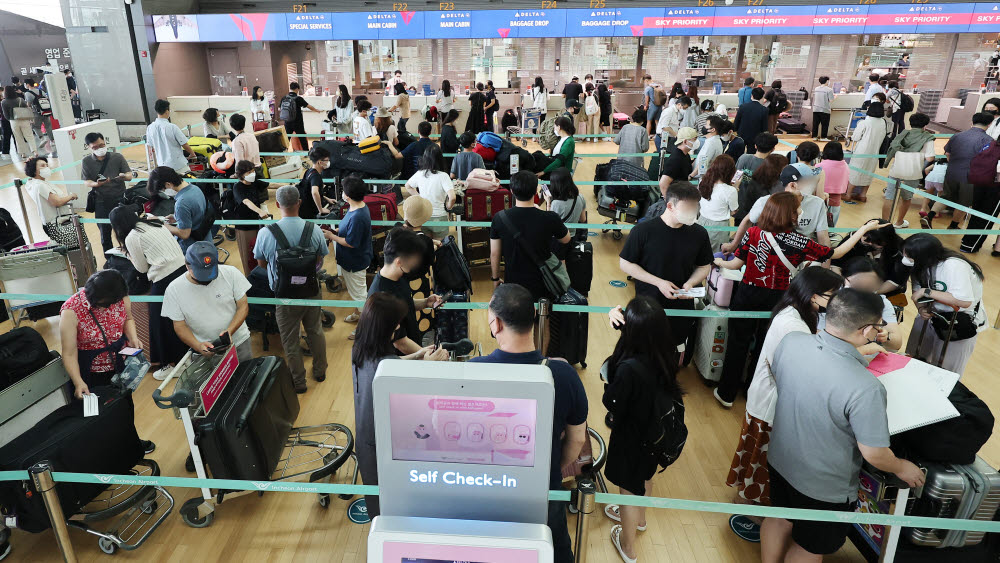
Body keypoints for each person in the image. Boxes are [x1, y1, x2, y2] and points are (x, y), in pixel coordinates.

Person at [763, 289, 925, 563]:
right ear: (867, 330)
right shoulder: (865, 387)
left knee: (779, 518)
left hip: (781, 458)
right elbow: (874, 453)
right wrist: (902, 466)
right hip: (823, 484)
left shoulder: (792, 342)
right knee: (810, 547)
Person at [713, 191, 885, 407]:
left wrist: (720, 264)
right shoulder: (799, 241)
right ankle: (751, 391)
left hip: (747, 293)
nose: (800, 212)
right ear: (790, 214)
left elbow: (736, 264)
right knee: (765, 346)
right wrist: (864, 229)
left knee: (737, 343)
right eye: (797, 209)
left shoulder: (753, 232)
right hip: (779, 298)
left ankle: (726, 393)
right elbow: (836, 253)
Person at [469, 284, 588, 563]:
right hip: (544, 493)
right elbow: (578, 440)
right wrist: (552, 470)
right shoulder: (563, 374)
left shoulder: (474, 370)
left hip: (486, 491)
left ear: (495, 324)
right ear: (535, 317)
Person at [725, 267, 844, 528]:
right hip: (772, 401)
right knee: (763, 458)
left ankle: (748, 501)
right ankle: (751, 507)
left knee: (756, 454)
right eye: (831, 295)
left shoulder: (794, 311)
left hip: (766, 396)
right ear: (813, 295)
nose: (834, 301)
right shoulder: (794, 324)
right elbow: (795, 369)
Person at [601, 295, 683, 563]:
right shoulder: (666, 353)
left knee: (628, 490)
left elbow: (611, 401)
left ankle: (628, 548)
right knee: (645, 479)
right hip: (655, 434)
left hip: (631, 438)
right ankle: (641, 520)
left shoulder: (628, 369)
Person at [352, 292, 448, 518]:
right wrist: (428, 365)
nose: (398, 326)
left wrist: (418, 355)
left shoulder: (362, 348)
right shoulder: (386, 370)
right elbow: (411, 391)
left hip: (368, 441)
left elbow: (389, 364)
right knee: (387, 510)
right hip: (384, 450)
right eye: (395, 323)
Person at [59, 270, 155, 453]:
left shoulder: (120, 299)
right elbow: (69, 353)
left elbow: (128, 319)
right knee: (96, 416)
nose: (109, 307)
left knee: (124, 406)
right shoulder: (71, 310)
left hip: (119, 364)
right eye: (105, 304)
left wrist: (133, 338)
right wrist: (79, 382)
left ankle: (129, 442)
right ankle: (104, 453)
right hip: (91, 372)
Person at [252, 186, 332, 392]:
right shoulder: (313, 229)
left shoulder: (265, 233)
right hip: (311, 290)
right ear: (299, 203)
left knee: (290, 339)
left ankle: (299, 382)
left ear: (277, 205)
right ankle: (320, 371)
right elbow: (320, 259)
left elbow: (261, 264)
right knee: (315, 331)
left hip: (283, 295)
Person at [619, 182, 712, 360]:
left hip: (681, 309)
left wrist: (690, 283)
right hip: (648, 307)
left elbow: (704, 266)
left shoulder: (699, 233)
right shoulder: (643, 231)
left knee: (672, 354)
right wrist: (658, 282)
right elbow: (625, 263)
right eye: (688, 208)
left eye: (695, 207)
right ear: (670, 205)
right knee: (643, 353)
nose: (693, 212)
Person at [108, 205, 187, 376]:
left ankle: (170, 363)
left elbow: (142, 269)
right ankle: (187, 356)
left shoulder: (132, 237)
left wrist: (127, 253)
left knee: (159, 322)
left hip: (165, 277)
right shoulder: (154, 223)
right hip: (183, 269)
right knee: (181, 315)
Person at [903, 234, 987, 375]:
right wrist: (921, 308)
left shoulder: (954, 265)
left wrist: (928, 291)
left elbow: (964, 301)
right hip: (931, 316)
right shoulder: (918, 265)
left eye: (909, 256)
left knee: (945, 371)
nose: (905, 259)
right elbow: (916, 291)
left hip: (958, 322)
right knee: (914, 358)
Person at [163, 241, 253, 364]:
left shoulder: (231, 273)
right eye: (201, 274)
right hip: (204, 353)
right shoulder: (174, 289)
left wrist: (230, 331)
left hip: (239, 342)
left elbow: (243, 306)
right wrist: (198, 346)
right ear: (187, 265)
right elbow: (179, 325)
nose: (207, 279)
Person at [490, 171, 572, 300]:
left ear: (512, 191)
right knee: (543, 315)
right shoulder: (549, 217)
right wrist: (547, 208)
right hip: (543, 280)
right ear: (535, 191)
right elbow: (566, 239)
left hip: (513, 281)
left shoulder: (499, 218)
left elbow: (495, 253)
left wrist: (495, 278)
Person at [368, 227, 443, 355]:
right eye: (414, 258)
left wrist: (425, 302)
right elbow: (400, 342)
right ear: (399, 262)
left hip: (412, 349)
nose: (416, 262)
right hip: (400, 361)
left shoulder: (398, 276)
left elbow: (404, 304)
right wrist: (428, 356)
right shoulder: (382, 295)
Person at [923, 112, 995, 230]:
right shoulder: (989, 140)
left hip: (952, 171)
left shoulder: (957, 136)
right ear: (990, 124)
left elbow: (947, 153)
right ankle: (953, 225)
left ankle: (929, 216)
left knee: (946, 197)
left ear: (972, 121)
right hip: (971, 175)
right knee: (964, 202)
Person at [328, 176, 373, 334]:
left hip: (355, 261)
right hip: (353, 259)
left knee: (360, 295)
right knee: (356, 292)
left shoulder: (358, 216)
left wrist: (331, 236)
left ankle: (364, 326)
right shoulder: (356, 207)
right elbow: (346, 229)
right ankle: (357, 313)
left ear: (347, 195)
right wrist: (335, 231)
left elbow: (351, 242)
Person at [831, 257, 902, 353]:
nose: (861, 292)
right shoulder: (829, 294)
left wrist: (884, 335)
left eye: (869, 288)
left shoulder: (881, 303)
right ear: (843, 277)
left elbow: (897, 344)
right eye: (857, 285)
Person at [82, 132, 133, 252]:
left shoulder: (117, 157)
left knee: (126, 231)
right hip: (101, 201)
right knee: (105, 234)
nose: (100, 149)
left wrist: (123, 176)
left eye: (101, 145)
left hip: (120, 198)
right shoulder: (86, 161)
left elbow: (129, 175)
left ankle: (130, 254)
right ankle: (109, 258)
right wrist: (96, 184)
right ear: (89, 147)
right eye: (95, 147)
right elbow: (86, 181)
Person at [883, 113, 935, 229]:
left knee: (889, 196)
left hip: (896, 169)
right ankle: (899, 222)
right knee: (906, 198)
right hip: (913, 172)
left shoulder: (903, 134)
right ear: (925, 125)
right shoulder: (927, 137)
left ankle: (884, 223)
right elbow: (930, 158)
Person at [148, 166, 210, 252]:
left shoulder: (181, 203)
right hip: (205, 240)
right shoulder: (195, 189)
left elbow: (184, 234)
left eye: (163, 189)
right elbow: (194, 214)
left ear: (168, 184)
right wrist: (176, 216)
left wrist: (160, 223)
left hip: (191, 249)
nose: (165, 191)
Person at [405, 145, 455, 239]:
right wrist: (449, 206)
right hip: (440, 216)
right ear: (440, 158)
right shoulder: (443, 176)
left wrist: (420, 197)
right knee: (440, 246)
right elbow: (452, 197)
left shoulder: (420, 173)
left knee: (427, 246)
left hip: (423, 216)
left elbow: (408, 186)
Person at [229, 160, 270, 273]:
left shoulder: (254, 182)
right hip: (244, 226)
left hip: (257, 223)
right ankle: (250, 278)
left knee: (259, 251)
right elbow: (246, 201)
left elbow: (270, 184)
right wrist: (259, 211)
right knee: (248, 254)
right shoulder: (238, 187)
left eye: (253, 171)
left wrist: (291, 186)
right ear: (241, 174)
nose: (252, 174)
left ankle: (261, 276)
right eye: (248, 172)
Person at [845, 102, 890, 203]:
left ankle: (848, 195)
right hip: (875, 151)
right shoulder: (883, 122)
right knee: (869, 172)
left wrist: (850, 138)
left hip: (862, 151)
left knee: (855, 171)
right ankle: (862, 195)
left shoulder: (864, 122)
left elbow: (856, 137)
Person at [698, 154, 739, 250]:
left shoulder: (703, 182)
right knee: (716, 256)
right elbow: (734, 211)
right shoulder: (730, 190)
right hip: (718, 227)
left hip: (701, 221)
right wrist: (736, 188)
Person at [24, 156, 76, 227]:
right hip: (57, 223)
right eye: (42, 166)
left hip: (50, 222)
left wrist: (30, 163)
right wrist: (71, 196)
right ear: (33, 170)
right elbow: (57, 202)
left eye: (47, 165)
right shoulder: (40, 185)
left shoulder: (31, 183)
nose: (46, 168)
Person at [146, 99, 193, 174]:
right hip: (178, 165)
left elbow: (150, 147)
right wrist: (192, 154)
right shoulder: (172, 127)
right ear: (167, 111)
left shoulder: (150, 128)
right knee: (186, 184)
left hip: (162, 165)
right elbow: (184, 144)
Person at [545, 168, 587, 246]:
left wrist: (548, 203)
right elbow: (583, 219)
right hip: (573, 238)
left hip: (558, 240)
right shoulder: (580, 197)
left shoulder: (556, 203)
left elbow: (549, 223)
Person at [657, 127, 698, 198]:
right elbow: (663, 184)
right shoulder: (676, 159)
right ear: (685, 141)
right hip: (675, 199)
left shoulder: (685, 155)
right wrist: (670, 203)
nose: (696, 141)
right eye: (694, 139)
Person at [817, 142, 850, 226]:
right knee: (831, 224)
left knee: (818, 224)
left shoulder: (819, 166)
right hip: (836, 200)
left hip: (820, 198)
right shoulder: (845, 165)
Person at [281, 82, 320, 152]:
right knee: (302, 139)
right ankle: (306, 153)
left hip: (287, 122)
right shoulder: (298, 98)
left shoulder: (284, 98)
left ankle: (283, 154)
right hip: (297, 122)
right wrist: (316, 110)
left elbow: (279, 109)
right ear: (297, 89)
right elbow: (309, 106)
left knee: (286, 139)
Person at [298, 145, 330, 221]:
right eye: (327, 160)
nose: (328, 162)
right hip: (309, 213)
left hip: (302, 209)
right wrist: (321, 210)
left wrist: (327, 198)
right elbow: (314, 192)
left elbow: (308, 190)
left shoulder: (308, 171)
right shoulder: (316, 176)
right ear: (320, 162)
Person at [734, 87, 769, 154]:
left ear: (752, 96)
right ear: (762, 97)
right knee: (751, 154)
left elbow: (737, 121)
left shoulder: (743, 107)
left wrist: (735, 131)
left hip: (742, 134)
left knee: (739, 153)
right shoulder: (764, 110)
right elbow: (764, 126)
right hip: (755, 136)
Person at [2, 85, 33, 159]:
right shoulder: (19, 99)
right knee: (24, 136)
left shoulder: (4, 101)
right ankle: (29, 151)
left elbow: (5, 114)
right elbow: (26, 107)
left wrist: (10, 119)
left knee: (13, 137)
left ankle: (19, 153)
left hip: (11, 121)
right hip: (22, 119)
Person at [693, 115, 725, 180]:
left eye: (706, 125)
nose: (704, 127)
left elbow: (703, 162)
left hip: (704, 178)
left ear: (712, 129)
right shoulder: (711, 141)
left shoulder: (711, 143)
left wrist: (691, 175)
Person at [812, 76, 835, 141]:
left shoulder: (816, 88)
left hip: (816, 108)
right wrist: (835, 97)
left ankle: (814, 136)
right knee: (824, 124)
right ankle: (823, 137)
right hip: (824, 109)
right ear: (827, 81)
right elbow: (831, 100)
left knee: (815, 124)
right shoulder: (829, 90)